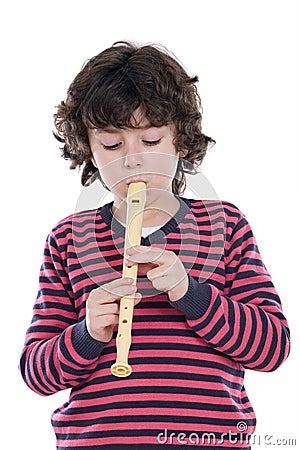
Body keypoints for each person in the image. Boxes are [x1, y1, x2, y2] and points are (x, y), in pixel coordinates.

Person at [20, 41, 290, 450]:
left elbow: (272, 348)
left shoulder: (225, 225)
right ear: (90, 152)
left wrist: (192, 295)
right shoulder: (68, 238)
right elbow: (37, 375)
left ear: (180, 143)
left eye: (150, 141)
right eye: (112, 145)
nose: (132, 161)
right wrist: (87, 333)